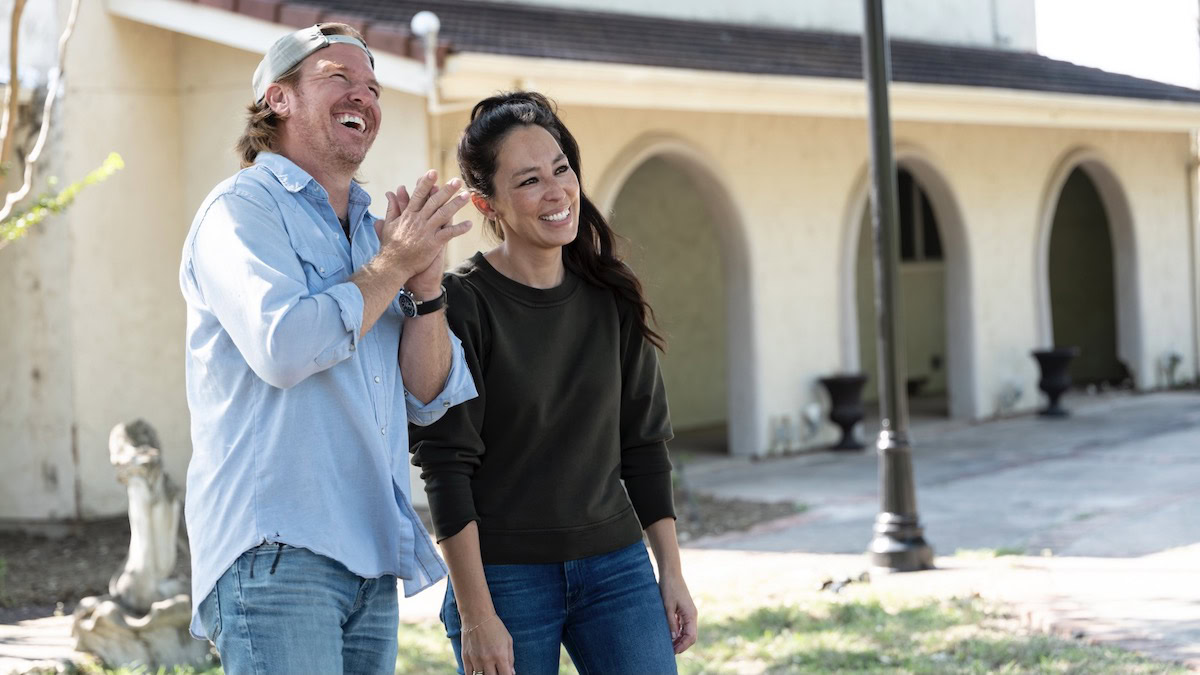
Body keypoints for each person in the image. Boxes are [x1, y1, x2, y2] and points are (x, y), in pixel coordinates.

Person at [179, 23, 476, 673]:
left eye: (372, 87)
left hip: (373, 561)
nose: (363, 96)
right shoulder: (239, 212)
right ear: (277, 99)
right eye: (338, 78)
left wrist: (424, 288)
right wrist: (395, 262)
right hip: (276, 550)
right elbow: (284, 346)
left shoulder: (377, 240)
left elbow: (427, 398)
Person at [410, 92, 698, 675]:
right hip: (504, 579)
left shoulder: (610, 298)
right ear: (486, 202)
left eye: (561, 169)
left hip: (616, 568)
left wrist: (670, 569)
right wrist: (476, 614)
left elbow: (642, 446)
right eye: (529, 180)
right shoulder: (462, 305)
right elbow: (446, 465)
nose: (555, 191)